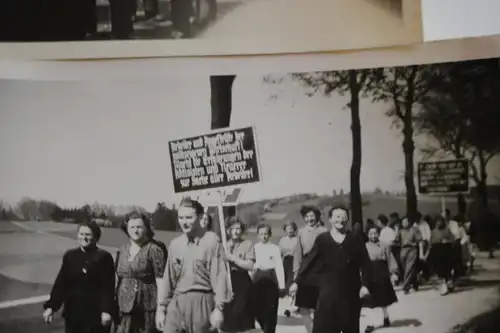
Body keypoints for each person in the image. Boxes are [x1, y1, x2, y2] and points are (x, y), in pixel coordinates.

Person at [290, 204, 372, 333]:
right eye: (337, 217)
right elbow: (309, 261)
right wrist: (296, 282)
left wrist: (365, 285)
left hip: (351, 293)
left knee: (350, 328)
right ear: (330, 219)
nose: (341, 220)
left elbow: (365, 263)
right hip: (328, 293)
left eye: (344, 217)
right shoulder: (322, 240)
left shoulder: (355, 239)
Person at [156, 198, 230, 333]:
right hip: (177, 302)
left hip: (202, 301)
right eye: (181, 218)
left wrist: (219, 308)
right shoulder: (175, 244)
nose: (184, 222)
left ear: (200, 217)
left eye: (189, 217)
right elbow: (168, 278)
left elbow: (219, 276)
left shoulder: (211, 241)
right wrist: (161, 308)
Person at [42, 221, 115, 333]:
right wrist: (51, 307)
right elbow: (61, 283)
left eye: (88, 235)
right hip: (73, 314)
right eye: (81, 234)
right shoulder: (70, 256)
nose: (84, 238)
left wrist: (106, 311)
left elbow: (108, 287)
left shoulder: (104, 257)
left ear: (96, 237)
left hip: (95, 315)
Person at [115, 212, 167, 333]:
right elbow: (118, 278)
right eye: (132, 227)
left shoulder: (154, 249)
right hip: (124, 309)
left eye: (139, 227)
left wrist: (161, 309)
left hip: (147, 309)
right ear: (126, 229)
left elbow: (161, 282)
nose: (135, 230)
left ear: (146, 228)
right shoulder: (122, 250)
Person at [292, 205, 328, 333]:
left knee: (320, 306)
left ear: (317, 217)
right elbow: (298, 254)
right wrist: (296, 273)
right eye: (307, 217)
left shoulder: (324, 231)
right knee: (303, 307)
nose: (309, 219)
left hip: (320, 269)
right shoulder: (301, 232)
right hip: (306, 270)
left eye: (312, 216)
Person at [221, 217, 256, 333]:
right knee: (228, 319)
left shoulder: (247, 244)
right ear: (228, 231)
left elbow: (250, 265)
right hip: (227, 282)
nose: (235, 231)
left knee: (240, 317)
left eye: (238, 228)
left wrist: (233, 259)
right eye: (232, 229)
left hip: (242, 282)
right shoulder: (224, 246)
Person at [363, 225, 398, 333]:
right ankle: (371, 323)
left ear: (378, 234)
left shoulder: (385, 245)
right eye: (370, 233)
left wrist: (393, 273)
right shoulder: (364, 246)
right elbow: (361, 262)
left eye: (375, 233)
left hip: (381, 272)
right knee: (370, 300)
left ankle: (386, 316)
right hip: (369, 273)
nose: (373, 236)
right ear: (367, 235)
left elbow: (390, 258)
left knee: (383, 297)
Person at [252, 224, 286, 333]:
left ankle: (269, 330)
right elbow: (251, 266)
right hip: (257, 279)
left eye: (266, 234)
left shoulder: (275, 248)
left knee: (271, 310)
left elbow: (279, 267)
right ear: (257, 235)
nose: (264, 236)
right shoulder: (254, 248)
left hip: (271, 279)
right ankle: (264, 327)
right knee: (257, 309)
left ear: (270, 234)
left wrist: (282, 286)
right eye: (261, 234)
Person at [394, 216, 424, 294]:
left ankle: (405, 287)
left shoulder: (414, 230)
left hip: (412, 249)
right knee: (406, 268)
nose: (404, 223)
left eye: (406, 222)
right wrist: (396, 231)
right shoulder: (401, 231)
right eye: (403, 222)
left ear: (409, 222)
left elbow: (420, 241)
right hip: (403, 250)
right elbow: (396, 240)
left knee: (409, 268)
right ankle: (415, 283)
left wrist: (421, 253)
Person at [429, 215, 455, 295]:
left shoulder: (447, 231)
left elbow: (452, 240)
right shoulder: (433, 232)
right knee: (440, 271)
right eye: (438, 222)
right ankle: (445, 286)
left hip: (446, 253)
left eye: (441, 221)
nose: (439, 223)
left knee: (447, 270)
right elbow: (431, 243)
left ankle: (449, 285)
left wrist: (447, 241)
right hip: (437, 254)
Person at [279, 221, 299, 317]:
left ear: (294, 229)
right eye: (288, 228)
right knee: (287, 284)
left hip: (295, 262)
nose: (290, 230)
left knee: (292, 283)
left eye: (291, 228)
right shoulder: (282, 240)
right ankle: (291, 305)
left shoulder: (297, 240)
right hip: (285, 263)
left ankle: (290, 307)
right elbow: (279, 254)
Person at [414, 212, 431, 284]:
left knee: (424, 260)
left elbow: (428, 235)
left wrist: (427, 244)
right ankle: (419, 278)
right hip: (417, 244)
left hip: (424, 242)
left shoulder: (425, 224)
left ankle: (426, 277)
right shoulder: (415, 225)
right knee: (417, 262)